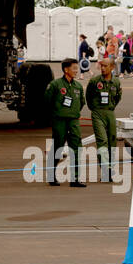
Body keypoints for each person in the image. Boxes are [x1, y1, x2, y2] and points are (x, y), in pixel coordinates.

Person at [44, 58, 86, 187]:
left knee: (77, 148)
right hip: (59, 120)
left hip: (73, 120)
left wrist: (73, 113)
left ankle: (75, 178)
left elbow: (81, 103)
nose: (76, 71)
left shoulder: (78, 86)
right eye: (74, 68)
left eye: (77, 68)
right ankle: (51, 176)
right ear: (66, 70)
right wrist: (57, 113)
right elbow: (47, 101)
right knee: (58, 147)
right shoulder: (56, 85)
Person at [86, 58, 123, 182]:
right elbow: (88, 97)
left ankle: (111, 170)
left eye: (105, 66)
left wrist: (110, 108)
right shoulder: (94, 81)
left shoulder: (116, 82)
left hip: (110, 113)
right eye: (101, 66)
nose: (102, 68)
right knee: (102, 141)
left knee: (112, 142)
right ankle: (105, 171)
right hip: (97, 113)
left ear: (112, 67)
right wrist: (95, 109)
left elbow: (118, 97)